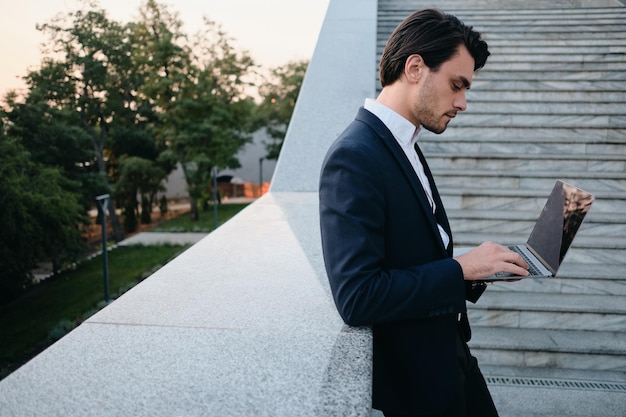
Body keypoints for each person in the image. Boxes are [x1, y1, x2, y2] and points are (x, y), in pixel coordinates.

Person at [318, 9, 530, 417]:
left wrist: (480, 270)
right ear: (415, 67)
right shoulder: (354, 156)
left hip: (449, 358)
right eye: (457, 85)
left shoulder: (404, 143)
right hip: (417, 385)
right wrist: (461, 269)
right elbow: (357, 297)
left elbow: (413, 256)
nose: (463, 103)